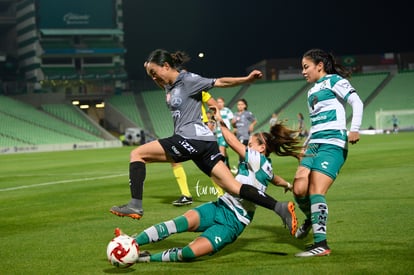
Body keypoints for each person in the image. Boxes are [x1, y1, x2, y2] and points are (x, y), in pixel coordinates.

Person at [110, 49, 297, 236]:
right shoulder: (168, 85)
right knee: (233, 187)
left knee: (137, 154)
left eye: (154, 73)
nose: (153, 78)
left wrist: (246, 79)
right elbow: (164, 82)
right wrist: (151, 69)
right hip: (205, 143)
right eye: (150, 75)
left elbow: (220, 81)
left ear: (166, 66)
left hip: (190, 138)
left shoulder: (189, 80)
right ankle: (279, 207)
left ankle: (135, 205)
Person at [113, 109, 302, 262]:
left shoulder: (256, 158)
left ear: (261, 148)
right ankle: (132, 242)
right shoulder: (265, 166)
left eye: (250, 143)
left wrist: (220, 121)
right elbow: (274, 178)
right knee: (175, 225)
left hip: (234, 222)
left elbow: (232, 141)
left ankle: (146, 258)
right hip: (220, 206)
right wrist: (287, 184)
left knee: (188, 254)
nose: (247, 145)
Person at [292, 49, 364, 257]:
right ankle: (310, 218)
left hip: (332, 142)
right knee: (299, 188)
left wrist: (355, 128)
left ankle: (321, 244)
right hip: (314, 143)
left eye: (306, 67)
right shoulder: (311, 91)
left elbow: (356, 102)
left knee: (316, 191)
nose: (303, 72)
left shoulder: (334, 80)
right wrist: (305, 145)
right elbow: (315, 123)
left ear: (319, 66)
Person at [171, 91, 224, 206]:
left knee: (209, 163)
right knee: (174, 160)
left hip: (198, 127)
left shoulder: (197, 89)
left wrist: (212, 121)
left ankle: (221, 194)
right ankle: (186, 195)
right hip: (182, 129)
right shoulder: (175, 93)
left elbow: (212, 104)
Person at [232, 98, 257, 167]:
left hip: (245, 136)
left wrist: (252, 125)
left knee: (242, 151)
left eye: (241, 104)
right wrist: (233, 124)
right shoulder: (235, 114)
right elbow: (234, 125)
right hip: (238, 136)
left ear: (245, 106)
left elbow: (254, 121)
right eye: (238, 104)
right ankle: (247, 165)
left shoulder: (248, 113)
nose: (240, 106)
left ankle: (241, 165)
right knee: (243, 152)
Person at [215, 97, 234, 168]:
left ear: (223, 103)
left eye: (220, 102)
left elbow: (232, 121)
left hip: (225, 133)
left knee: (221, 149)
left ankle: (223, 168)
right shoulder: (216, 112)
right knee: (224, 151)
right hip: (218, 134)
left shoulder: (227, 110)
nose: (219, 104)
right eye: (218, 102)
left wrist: (232, 130)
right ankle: (227, 165)